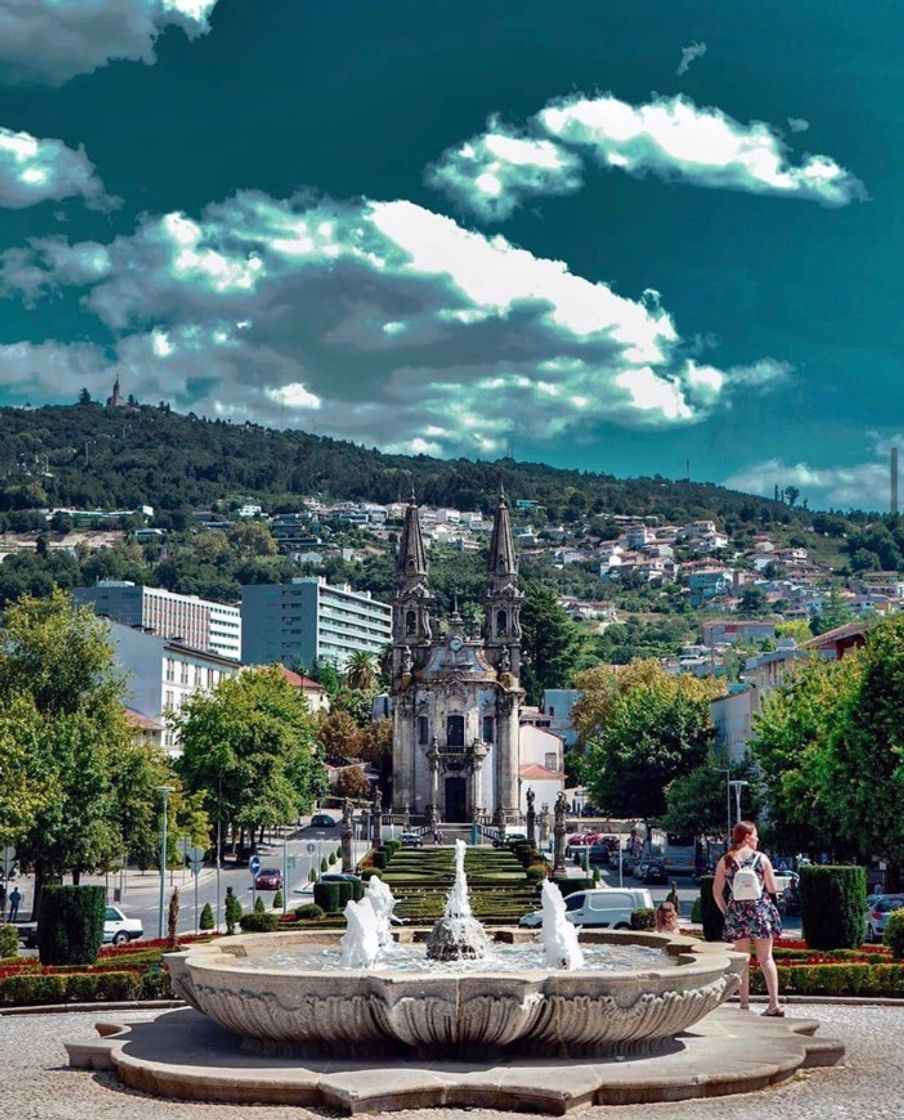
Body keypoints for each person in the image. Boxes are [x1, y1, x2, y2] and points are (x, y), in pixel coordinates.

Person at [712, 820, 783, 1017]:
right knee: (766, 958)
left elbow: (716, 892)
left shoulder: (726, 860)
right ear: (747, 837)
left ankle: (744, 1005)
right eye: (755, 835)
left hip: (738, 913)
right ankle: (774, 1004)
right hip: (761, 911)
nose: (758, 838)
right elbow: (771, 888)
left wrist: (727, 911)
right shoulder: (762, 859)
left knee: (743, 960)